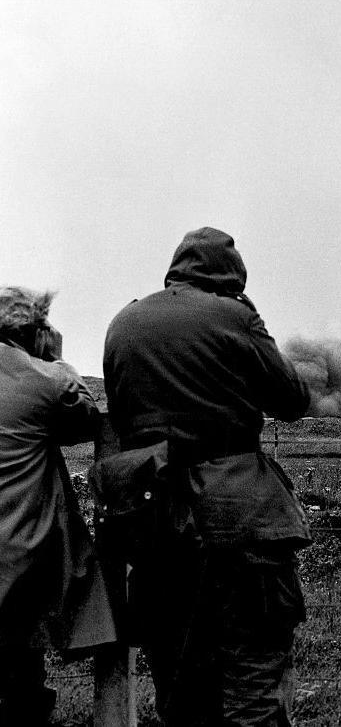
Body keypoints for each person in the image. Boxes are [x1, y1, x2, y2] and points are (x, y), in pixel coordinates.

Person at [101, 227, 311, 726]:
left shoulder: (123, 322)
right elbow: (291, 399)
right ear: (230, 278)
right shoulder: (233, 315)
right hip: (240, 521)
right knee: (252, 683)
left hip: (152, 525)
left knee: (179, 686)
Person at [0, 286, 115, 726]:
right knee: (19, 676)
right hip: (18, 554)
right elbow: (83, 415)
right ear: (34, 330)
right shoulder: (41, 379)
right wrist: (57, 359)